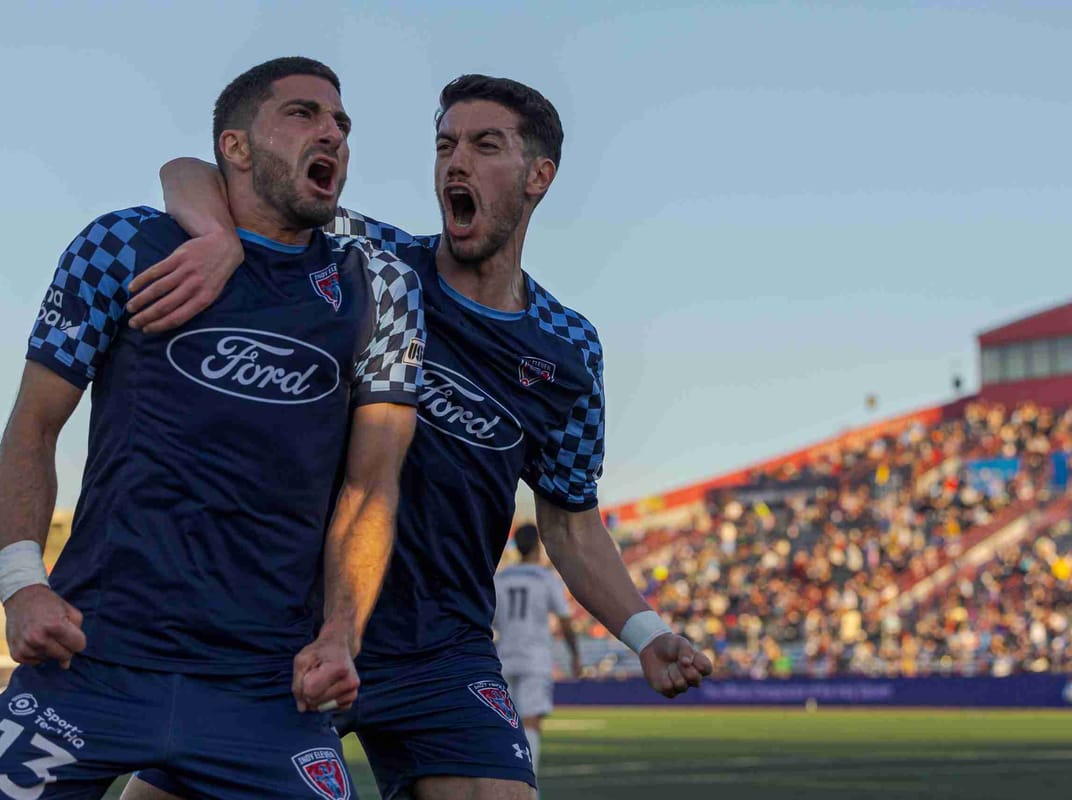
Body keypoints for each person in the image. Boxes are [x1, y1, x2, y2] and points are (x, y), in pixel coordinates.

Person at [124, 74, 712, 800]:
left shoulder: (568, 347)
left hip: (443, 649)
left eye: (483, 145)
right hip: (300, 627)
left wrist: (646, 632)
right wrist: (216, 233)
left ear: (539, 177)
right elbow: (197, 172)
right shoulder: (371, 259)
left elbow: (570, 519)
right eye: (445, 145)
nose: (454, 162)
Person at [0, 56, 425, 800]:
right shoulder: (124, 246)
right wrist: (22, 584)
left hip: (264, 689)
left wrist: (339, 636)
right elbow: (34, 425)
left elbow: (371, 487)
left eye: (342, 124)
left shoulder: (377, 286)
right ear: (235, 147)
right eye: (303, 114)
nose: (332, 132)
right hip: (92, 664)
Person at [493, 524, 581, 775]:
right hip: (535, 659)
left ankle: (505, 780)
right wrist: (575, 656)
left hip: (504, 658)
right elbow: (565, 621)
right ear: (537, 546)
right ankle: (527, 783)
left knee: (507, 723)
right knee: (531, 720)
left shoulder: (500, 579)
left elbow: (490, 620)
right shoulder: (545, 578)